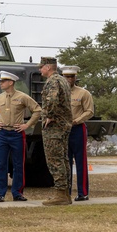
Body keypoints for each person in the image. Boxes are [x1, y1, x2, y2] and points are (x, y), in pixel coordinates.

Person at [0, 71, 41, 202]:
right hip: (3, 133)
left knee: (18, 164)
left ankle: (17, 193)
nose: (0, 83)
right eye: (0, 81)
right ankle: (0, 193)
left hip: (17, 134)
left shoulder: (22, 97)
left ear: (11, 82)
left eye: (3, 81)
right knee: (1, 164)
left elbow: (37, 110)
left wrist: (27, 125)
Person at [40, 57, 73, 206]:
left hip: (55, 127)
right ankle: (65, 193)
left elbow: (52, 100)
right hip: (64, 125)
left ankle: (60, 194)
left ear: (48, 67)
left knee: (54, 159)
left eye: (41, 67)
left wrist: (49, 116)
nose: (40, 69)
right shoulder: (63, 80)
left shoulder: (52, 81)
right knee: (63, 158)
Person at [62, 65, 94, 201]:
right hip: (63, 130)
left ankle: (83, 193)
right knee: (65, 162)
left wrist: (77, 120)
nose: (69, 79)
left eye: (72, 76)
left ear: (75, 78)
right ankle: (65, 192)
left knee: (80, 161)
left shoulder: (83, 93)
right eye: (67, 76)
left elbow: (89, 111)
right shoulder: (58, 93)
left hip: (77, 129)